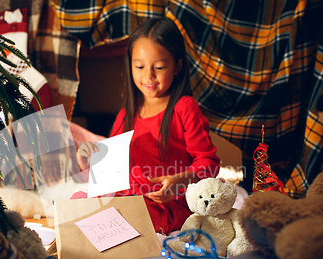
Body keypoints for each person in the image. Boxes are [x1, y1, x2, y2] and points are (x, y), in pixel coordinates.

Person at [76, 17, 220, 235]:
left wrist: (179, 181)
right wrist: (89, 160)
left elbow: (209, 164)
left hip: (166, 202)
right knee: (77, 204)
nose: (148, 76)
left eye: (160, 67)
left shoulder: (184, 107)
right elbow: (110, 168)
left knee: (133, 217)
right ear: (130, 65)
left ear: (177, 66)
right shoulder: (126, 115)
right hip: (130, 195)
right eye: (140, 66)